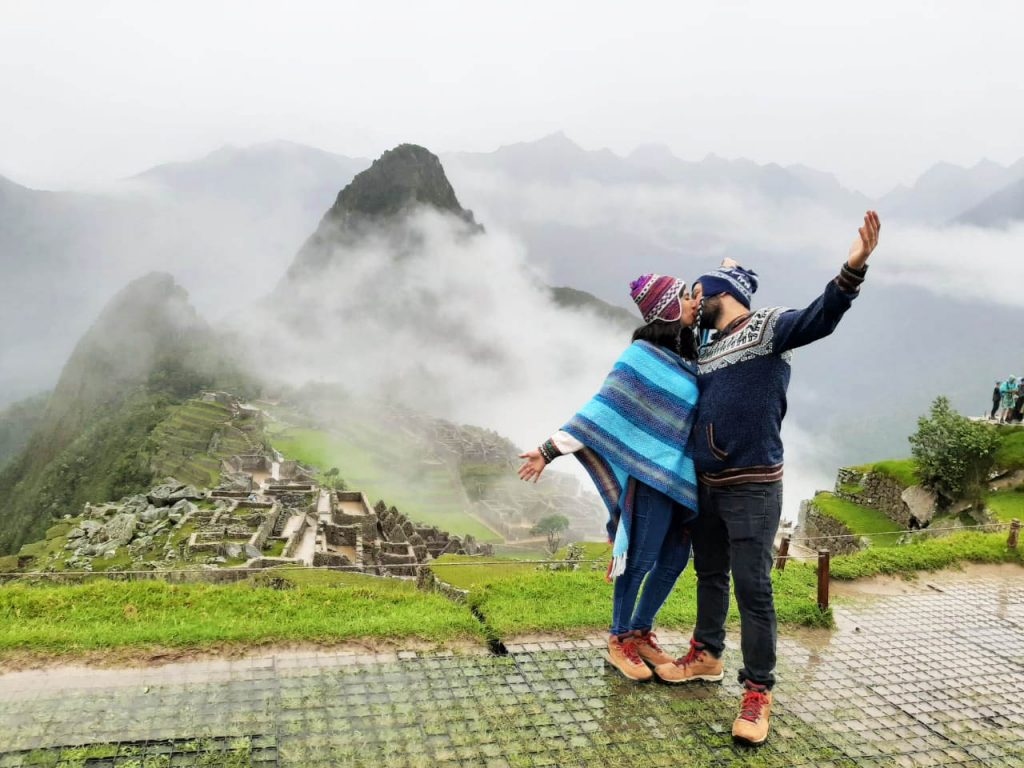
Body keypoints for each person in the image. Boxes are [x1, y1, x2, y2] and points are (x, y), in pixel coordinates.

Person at [653, 211, 881, 747]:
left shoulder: (769, 327)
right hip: (707, 485)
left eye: (697, 295)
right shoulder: (705, 346)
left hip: (754, 485)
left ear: (719, 294)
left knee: (754, 590)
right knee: (709, 574)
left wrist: (851, 271)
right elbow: (661, 340)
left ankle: (757, 691)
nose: (693, 304)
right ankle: (706, 655)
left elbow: (819, 319)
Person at [518, 273, 700, 682]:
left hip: (683, 482)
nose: (693, 303)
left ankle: (640, 630)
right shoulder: (639, 358)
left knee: (674, 560)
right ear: (670, 308)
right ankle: (619, 639)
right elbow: (601, 410)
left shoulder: (691, 356)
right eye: (686, 297)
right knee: (640, 561)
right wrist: (548, 451)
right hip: (649, 480)